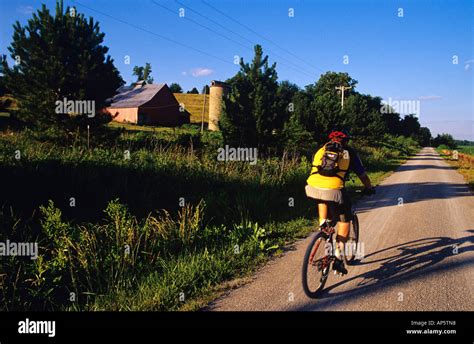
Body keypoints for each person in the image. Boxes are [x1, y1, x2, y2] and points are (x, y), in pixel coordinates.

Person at [305, 130, 375, 275]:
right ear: (346, 141)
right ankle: (337, 257)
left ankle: (323, 224)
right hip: (335, 190)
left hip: (311, 187)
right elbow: (362, 175)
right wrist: (369, 188)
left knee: (322, 197)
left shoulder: (321, 150)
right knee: (344, 221)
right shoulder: (349, 152)